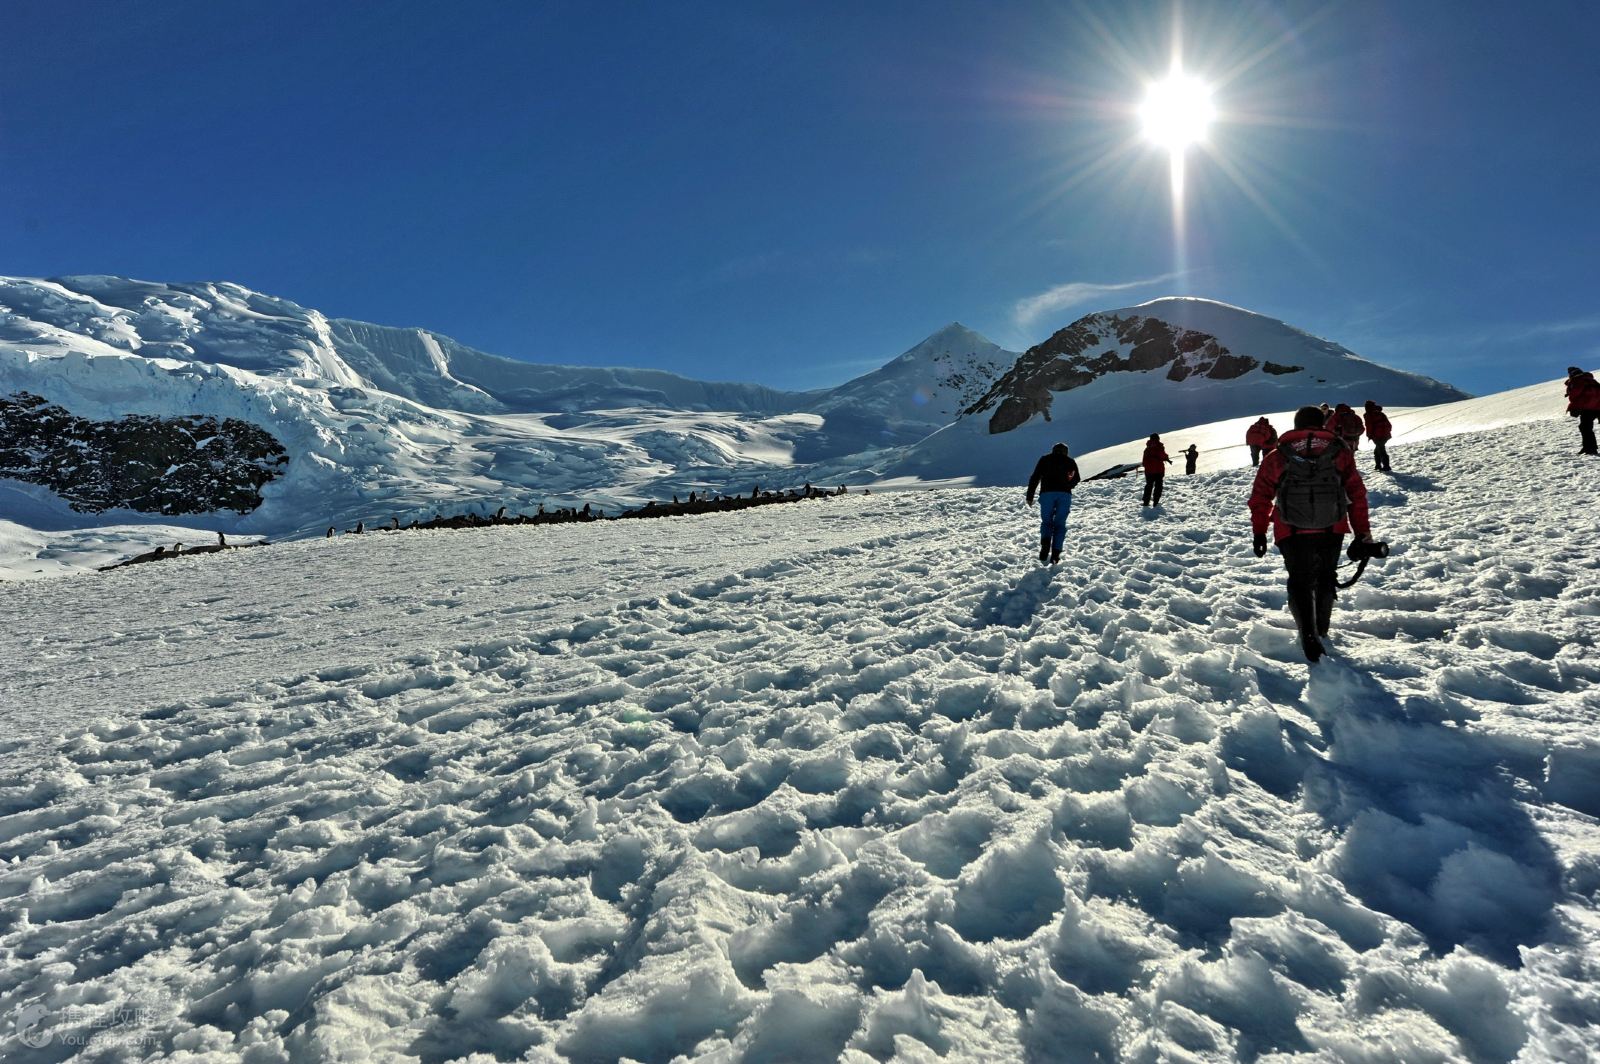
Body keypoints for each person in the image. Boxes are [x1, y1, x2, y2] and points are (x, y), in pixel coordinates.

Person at [1248, 406, 1375, 663]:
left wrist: (1259, 531)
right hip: (1332, 527)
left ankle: (1307, 632)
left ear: (1296, 425)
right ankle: (1322, 628)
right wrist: (1362, 532)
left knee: (1299, 578)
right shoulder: (1340, 452)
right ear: (1323, 424)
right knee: (1326, 575)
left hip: (1291, 530)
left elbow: (1261, 497)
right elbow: (1356, 495)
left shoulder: (1277, 455)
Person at [1025, 442, 1081, 563]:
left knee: (1046, 521)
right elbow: (1076, 478)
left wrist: (1030, 496)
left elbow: (1035, 477)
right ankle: (1055, 554)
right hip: (1064, 495)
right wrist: (1068, 485)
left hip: (1047, 494)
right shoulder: (1070, 461)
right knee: (1060, 524)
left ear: (1053, 450)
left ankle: (1045, 543)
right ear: (1066, 452)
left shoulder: (1045, 459)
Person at [1566, 366, 1600, 455]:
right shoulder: (1591, 380)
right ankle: (1588, 447)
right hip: (1598, 407)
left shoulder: (1577, 381)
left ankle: (1590, 448)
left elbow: (1574, 396)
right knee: (1585, 427)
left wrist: (1572, 406)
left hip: (1587, 408)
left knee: (1585, 428)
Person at [1362, 400, 1393, 472]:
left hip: (1377, 436)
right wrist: (1386, 432)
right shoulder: (1381, 414)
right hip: (1385, 435)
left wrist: (1369, 436)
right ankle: (1378, 465)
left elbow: (1369, 426)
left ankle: (1386, 466)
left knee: (1381, 450)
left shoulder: (1368, 414)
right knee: (1378, 450)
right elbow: (1389, 425)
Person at [1141, 434, 1171, 506]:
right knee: (1158, 486)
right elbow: (1163, 456)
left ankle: (1146, 502)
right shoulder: (1160, 447)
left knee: (1149, 486)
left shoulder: (1147, 449)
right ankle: (1156, 502)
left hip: (1149, 472)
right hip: (1159, 471)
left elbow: (1144, 462)